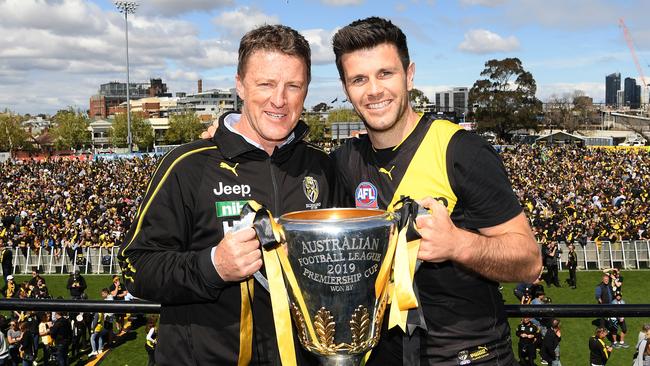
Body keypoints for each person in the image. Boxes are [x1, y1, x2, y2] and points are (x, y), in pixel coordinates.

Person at [119, 24, 337, 365]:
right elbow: (135, 267)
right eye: (265, 83)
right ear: (240, 85)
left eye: (293, 86)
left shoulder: (322, 167)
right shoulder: (187, 165)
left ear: (306, 90)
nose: (279, 100)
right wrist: (212, 266)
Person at [330, 16, 541, 365]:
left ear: (409, 74)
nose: (374, 90)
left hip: (471, 355)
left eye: (385, 73)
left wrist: (458, 244)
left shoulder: (461, 150)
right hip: (383, 356)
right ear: (345, 86)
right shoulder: (343, 161)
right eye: (359, 79)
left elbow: (530, 262)